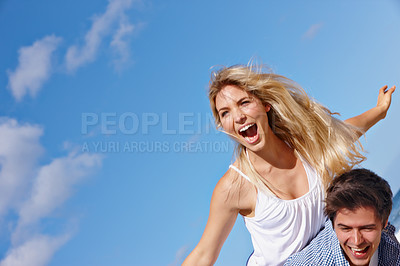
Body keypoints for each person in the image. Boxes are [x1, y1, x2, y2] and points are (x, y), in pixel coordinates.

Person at [183, 64, 395, 266]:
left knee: (376, 230)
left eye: (244, 102)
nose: (237, 117)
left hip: (326, 256)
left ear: (265, 104)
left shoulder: (305, 146)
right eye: (225, 113)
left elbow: (344, 133)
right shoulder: (235, 186)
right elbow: (203, 255)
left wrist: (381, 110)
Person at [285, 168, 400, 266]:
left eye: (367, 228)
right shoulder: (315, 262)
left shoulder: (391, 249)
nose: (356, 241)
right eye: (345, 228)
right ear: (333, 224)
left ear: (384, 222)